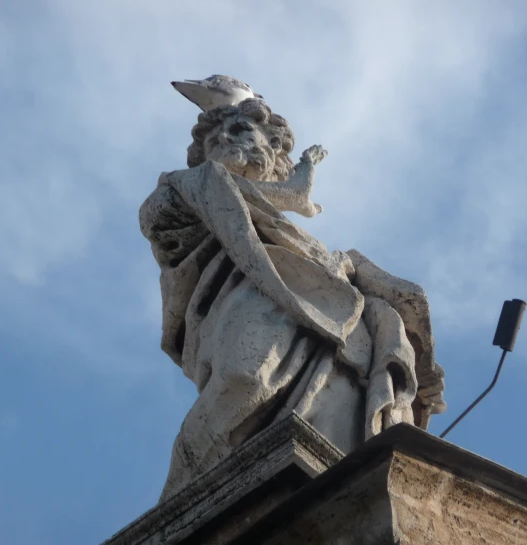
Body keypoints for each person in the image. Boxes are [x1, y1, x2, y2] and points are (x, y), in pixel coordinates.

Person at [140, 98, 445, 501]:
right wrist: (299, 184)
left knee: (333, 412)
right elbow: (167, 221)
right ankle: (179, 503)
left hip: (319, 314)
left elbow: (280, 201)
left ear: (271, 150)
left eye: (242, 131)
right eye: (216, 138)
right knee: (245, 380)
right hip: (238, 297)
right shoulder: (184, 189)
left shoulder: (290, 235)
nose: (227, 140)